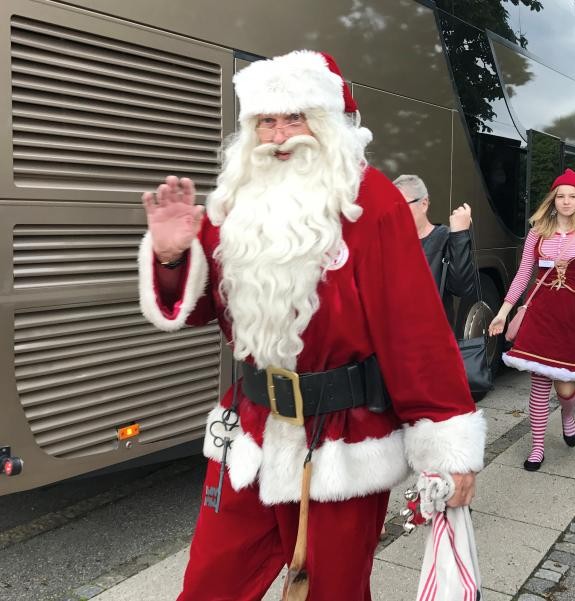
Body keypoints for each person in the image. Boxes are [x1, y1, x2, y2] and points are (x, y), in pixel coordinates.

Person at [137, 50, 485, 601]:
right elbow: (204, 310)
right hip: (248, 431)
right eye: (266, 121)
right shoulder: (235, 205)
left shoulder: (373, 203)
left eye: (294, 117)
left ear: (325, 122)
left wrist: (447, 449)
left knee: (333, 592)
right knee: (211, 583)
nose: (279, 136)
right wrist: (173, 258)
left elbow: (414, 332)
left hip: (342, 442)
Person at [487, 169, 575, 471]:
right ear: (553, 199)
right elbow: (522, 276)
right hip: (541, 312)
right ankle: (537, 448)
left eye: (572, 196)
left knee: (566, 390)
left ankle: (568, 416)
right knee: (539, 384)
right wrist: (503, 313)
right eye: (561, 196)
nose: (566, 201)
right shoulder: (537, 232)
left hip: (572, 315)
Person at [393, 174, 476, 317]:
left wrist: (460, 235)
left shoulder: (444, 238)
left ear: (423, 204)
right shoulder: (390, 242)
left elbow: (461, 288)